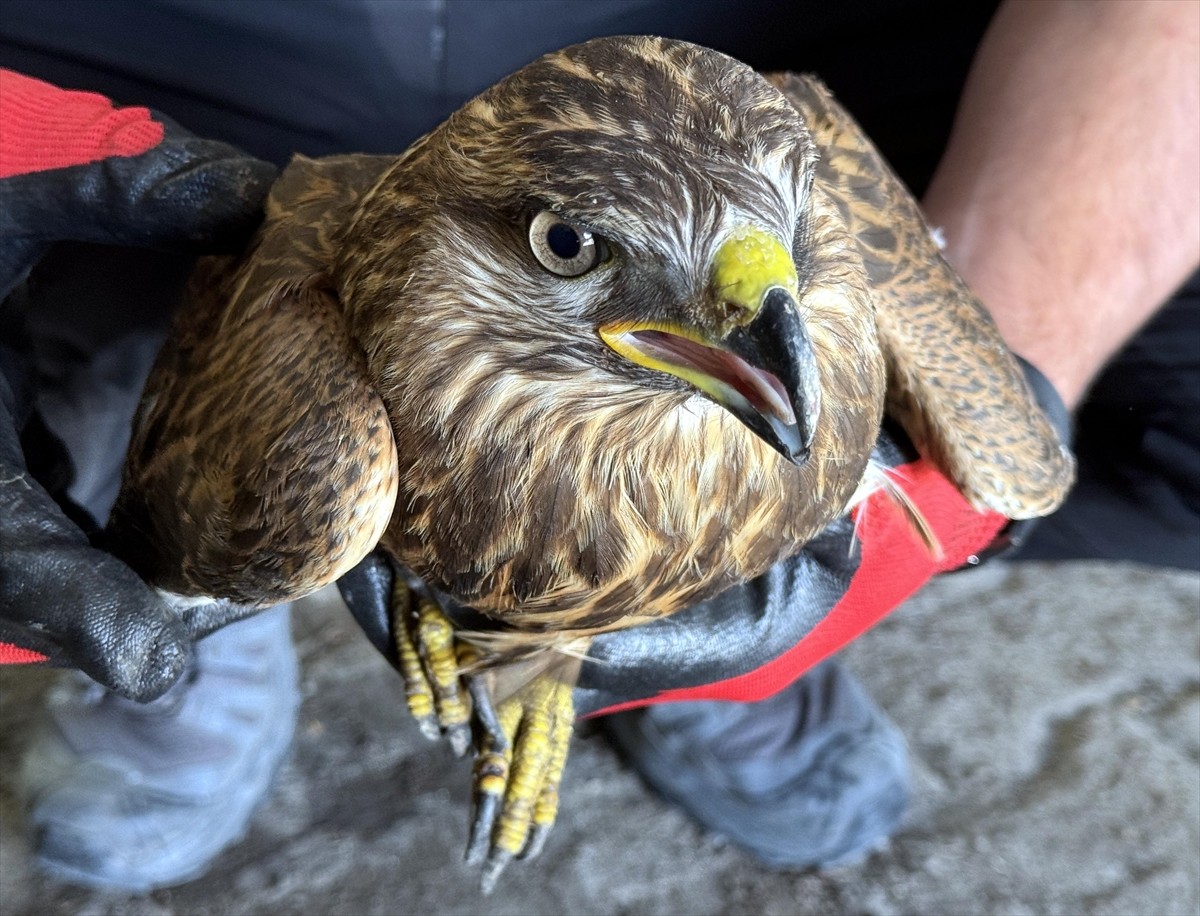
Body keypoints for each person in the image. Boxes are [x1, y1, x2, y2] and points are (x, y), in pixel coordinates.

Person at [1, 0, 1196, 892]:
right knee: (235, 525)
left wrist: (999, 358)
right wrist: (241, 505)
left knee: (1049, 445)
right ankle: (213, 609)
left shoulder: (786, 290)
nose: (780, 350)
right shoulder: (337, 395)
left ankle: (639, 649)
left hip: (743, 85)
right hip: (150, 56)